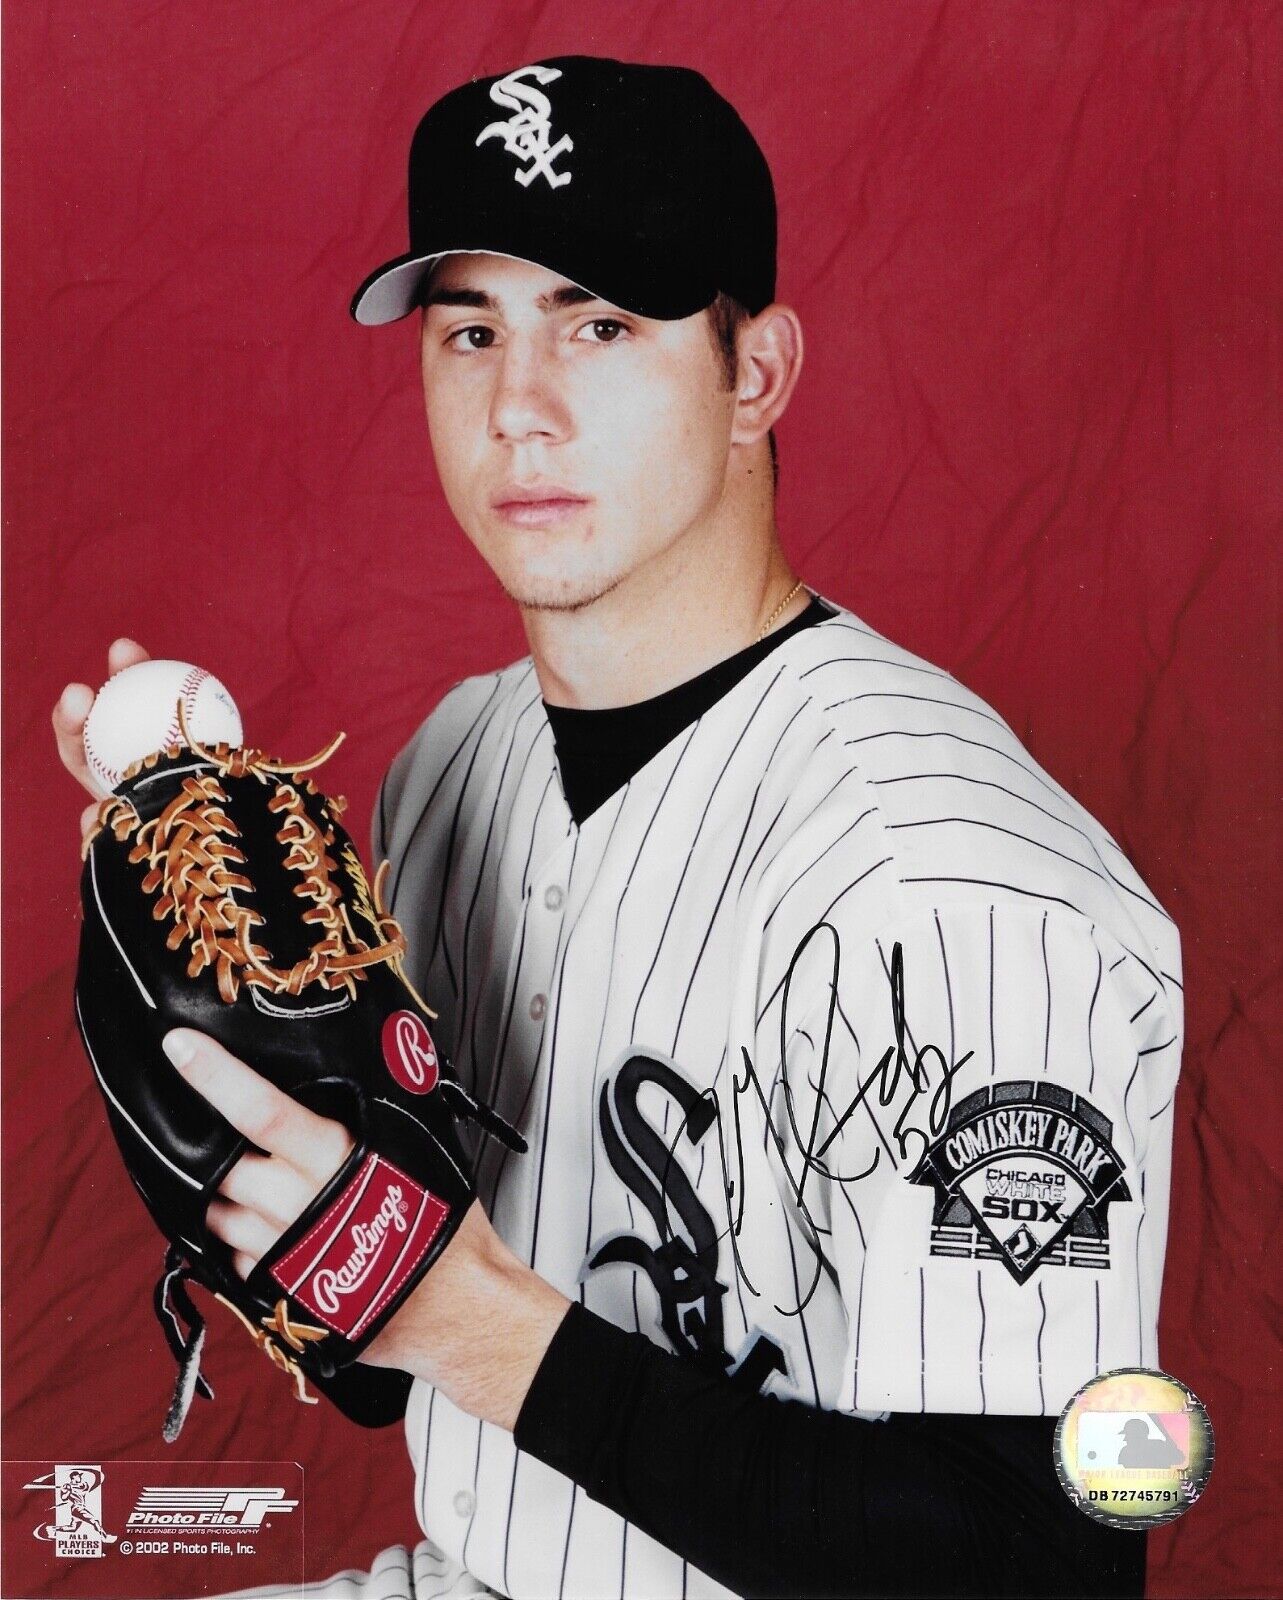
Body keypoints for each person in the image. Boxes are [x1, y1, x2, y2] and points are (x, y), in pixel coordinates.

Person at [52, 55, 1182, 1600]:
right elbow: (392, 1372)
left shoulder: (959, 884)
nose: (520, 405)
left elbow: (1041, 1568)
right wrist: (251, 1048)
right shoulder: (457, 765)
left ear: (756, 375)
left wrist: (459, 1314)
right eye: (473, 330)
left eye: (600, 323)